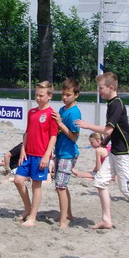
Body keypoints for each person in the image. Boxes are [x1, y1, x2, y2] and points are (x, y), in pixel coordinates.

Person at [76, 72, 129, 233]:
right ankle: (106, 219)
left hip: (124, 151)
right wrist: (104, 142)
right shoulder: (111, 103)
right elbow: (113, 131)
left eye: (101, 88)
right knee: (100, 181)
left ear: (110, 88)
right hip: (116, 150)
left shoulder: (116, 104)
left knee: (126, 188)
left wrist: (87, 126)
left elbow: (108, 129)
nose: (99, 91)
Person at [14, 81, 58, 227]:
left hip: (40, 155)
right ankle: (28, 208)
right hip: (28, 153)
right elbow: (27, 132)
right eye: (36, 95)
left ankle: (32, 217)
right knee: (18, 180)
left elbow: (53, 136)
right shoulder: (31, 112)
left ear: (49, 96)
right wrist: (23, 149)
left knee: (36, 185)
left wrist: (47, 156)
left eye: (41, 95)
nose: (38, 98)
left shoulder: (51, 114)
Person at [52, 78, 81, 229]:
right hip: (60, 151)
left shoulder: (74, 113)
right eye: (63, 94)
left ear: (76, 95)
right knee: (61, 185)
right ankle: (67, 213)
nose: (64, 97)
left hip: (68, 153)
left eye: (68, 95)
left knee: (60, 186)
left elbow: (74, 137)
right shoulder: (63, 110)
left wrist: (59, 123)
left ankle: (63, 220)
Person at [72, 132, 113, 229]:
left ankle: (73, 170)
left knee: (80, 174)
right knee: (89, 175)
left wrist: (91, 173)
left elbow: (98, 167)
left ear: (98, 141)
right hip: (111, 172)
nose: (91, 145)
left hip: (103, 173)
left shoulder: (99, 150)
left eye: (92, 142)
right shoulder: (109, 147)